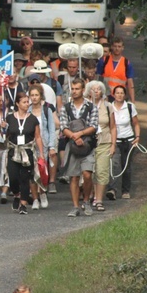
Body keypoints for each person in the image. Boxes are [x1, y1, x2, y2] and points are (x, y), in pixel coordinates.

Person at [59, 78, 99, 217]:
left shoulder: (91, 107)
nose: (74, 91)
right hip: (72, 146)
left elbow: (94, 126)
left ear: (83, 90)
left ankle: (86, 200)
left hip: (88, 145)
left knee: (87, 174)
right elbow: (63, 127)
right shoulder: (66, 107)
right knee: (74, 177)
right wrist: (74, 137)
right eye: (73, 89)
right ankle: (75, 206)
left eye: (77, 89)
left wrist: (80, 134)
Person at [5, 93, 44, 215]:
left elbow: (37, 137)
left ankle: (23, 204)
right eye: (24, 102)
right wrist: (1, 128)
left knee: (25, 178)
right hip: (13, 151)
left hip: (27, 151)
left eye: (28, 102)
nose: (27, 104)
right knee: (13, 177)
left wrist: (41, 154)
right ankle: (17, 194)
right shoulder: (10, 118)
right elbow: (5, 135)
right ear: (17, 103)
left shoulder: (33, 119)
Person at [85, 80, 116, 211]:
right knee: (89, 172)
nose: (96, 91)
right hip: (88, 143)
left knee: (102, 171)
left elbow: (113, 127)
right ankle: (89, 196)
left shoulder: (108, 106)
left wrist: (113, 144)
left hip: (104, 142)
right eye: (93, 89)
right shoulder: (85, 106)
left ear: (102, 91)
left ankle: (99, 200)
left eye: (98, 89)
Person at [108, 85, 140, 200]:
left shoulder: (130, 107)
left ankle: (125, 190)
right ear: (113, 94)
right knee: (114, 164)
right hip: (115, 141)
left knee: (126, 166)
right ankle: (112, 189)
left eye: (122, 93)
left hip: (128, 140)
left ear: (125, 95)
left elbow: (136, 123)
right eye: (117, 93)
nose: (119, 95)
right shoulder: (109, 107)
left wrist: (137, 137)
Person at [28, 86, 57, 210]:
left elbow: (51, 129)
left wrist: (51, 146)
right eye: (32, 95)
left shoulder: (47, 110)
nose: (34, 98)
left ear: (41, 96)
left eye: (36, 95)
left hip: (43, 145)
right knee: (31, 172)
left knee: (41, 171)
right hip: (29, 145)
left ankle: (43, 193)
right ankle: (35, 198)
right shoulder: (27, 110)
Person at [96, 37, 135, 102]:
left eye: (119, 46)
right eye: (115, 46)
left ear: (123, 48)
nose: (117, 49)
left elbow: (130, 84)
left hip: (120, 97)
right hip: (105, 97)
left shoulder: (126, 63)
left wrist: (133, 102)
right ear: (111, 47)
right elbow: (97, 78)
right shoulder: (104, 61)